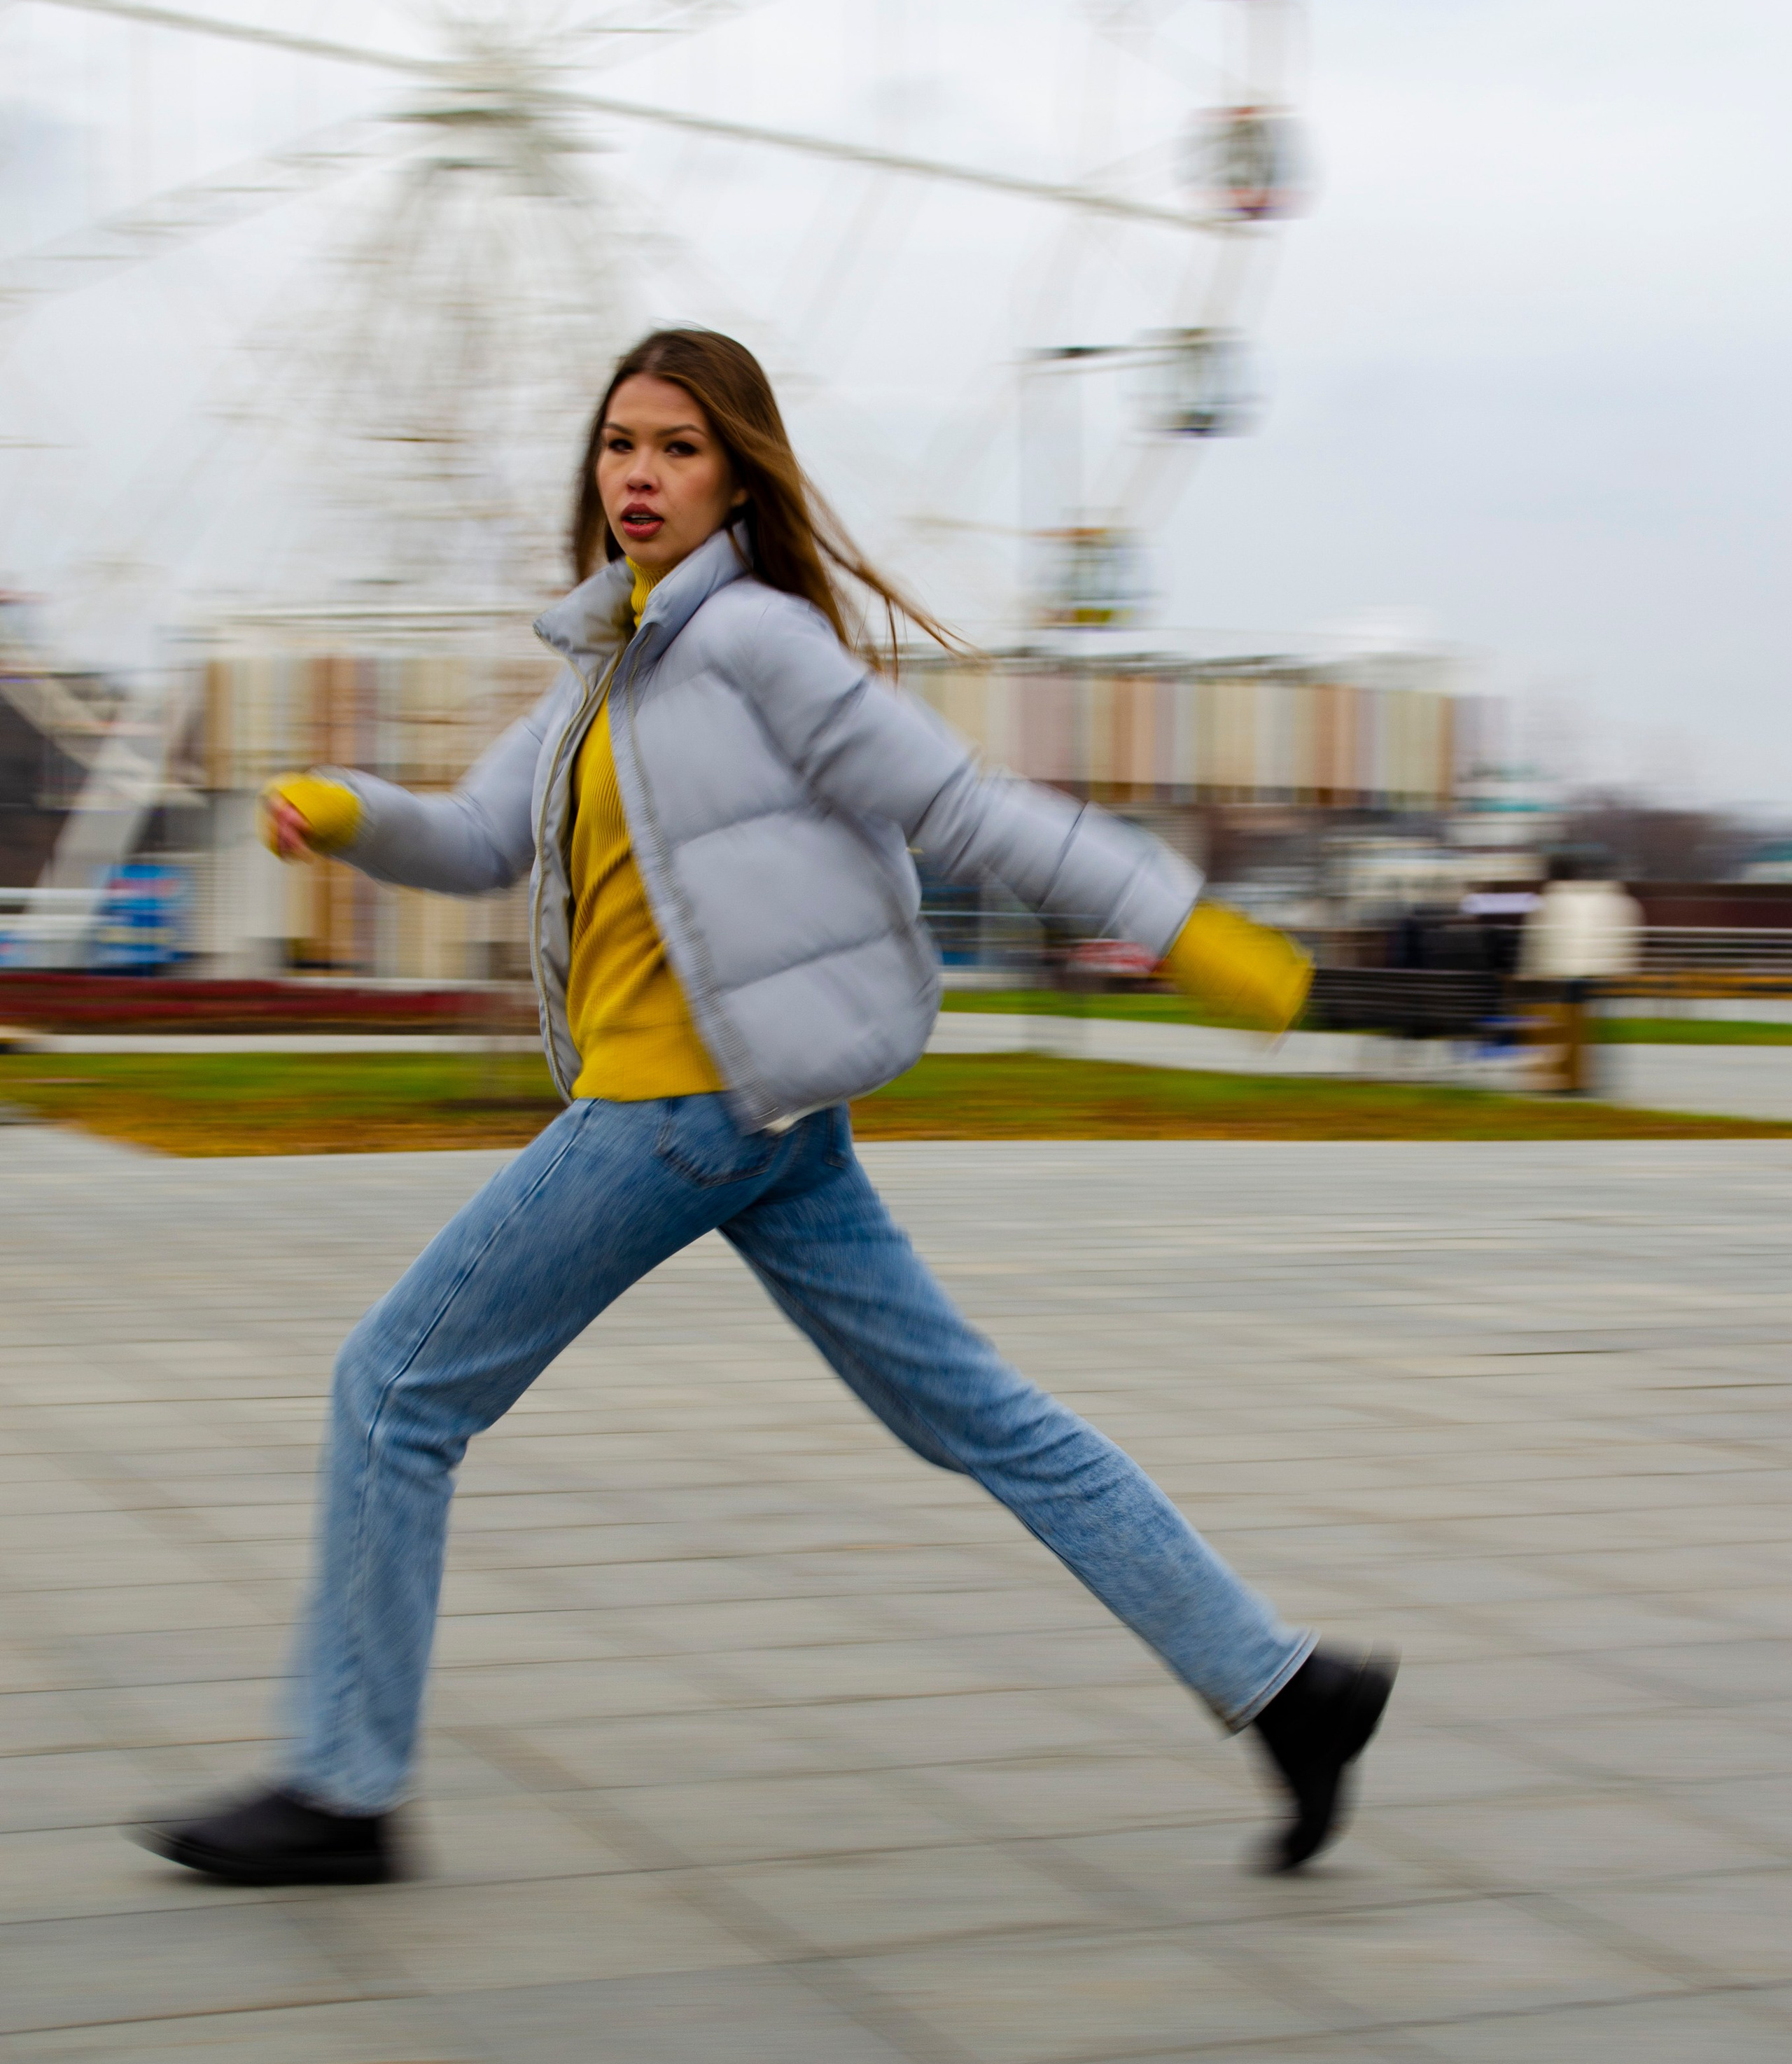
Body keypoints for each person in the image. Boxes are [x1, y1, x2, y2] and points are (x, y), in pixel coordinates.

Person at [136, 329, 1392, 1888]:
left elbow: (955, 804)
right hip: (769, 1126)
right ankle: (1287, 1689)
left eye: (672, 446)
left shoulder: (754, 645)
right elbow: (474, 840)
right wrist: (339, 810)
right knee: (978, 1419)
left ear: (735, 470)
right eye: (616, 445)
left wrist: (1190, 932)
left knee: (395, 1390)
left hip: (679, 1111)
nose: (637, 475)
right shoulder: (610, 664)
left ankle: (343, 1789)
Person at [1520, 849, 1644, 1094]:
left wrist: (1529, 971)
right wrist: (1624, 969)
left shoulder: (1551, 900)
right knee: (1597, 1028)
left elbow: (1535, 941)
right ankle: (1590, 1077)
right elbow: (1629, 939)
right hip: (1604, 973)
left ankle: (1567, 1077)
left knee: (1564, 1028)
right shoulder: (1619, 900)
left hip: (1562, 972)